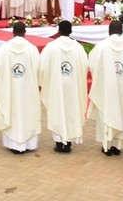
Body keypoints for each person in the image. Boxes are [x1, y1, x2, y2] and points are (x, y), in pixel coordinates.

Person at [87, 20, 123, 156]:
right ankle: (118, 146)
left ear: (109, 31)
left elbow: (92, 64)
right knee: (122, 112)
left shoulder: (101, 47)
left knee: (107, 112)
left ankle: (106, 145)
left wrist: (103, 77)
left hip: (106, 90)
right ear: (122, 31)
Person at [39, 21, 88, 153]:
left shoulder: (51, 47)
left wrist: (45, 81)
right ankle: (69, 143)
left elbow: (42, 67)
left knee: (57, 110)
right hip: (72, 86)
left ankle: (59, 142)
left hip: (56, 85)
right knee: (71, 111)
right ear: (71, 31)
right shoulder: (78, 48)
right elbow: (85, 66)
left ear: (58, 31)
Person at [0, 22, 42, 154]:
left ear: (12, 32)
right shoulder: (32, 49)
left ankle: (12, 143)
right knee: (27, 112)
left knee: (12, 110)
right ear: (25, 32)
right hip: (27, 90)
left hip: (10, 91)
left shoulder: (4, 49)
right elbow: (38, 69)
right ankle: (28, 144)